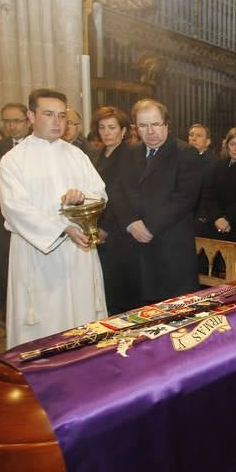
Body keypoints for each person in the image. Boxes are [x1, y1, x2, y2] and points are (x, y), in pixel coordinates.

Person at [0, 88, 108, 348]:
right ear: (31, 116)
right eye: (48, 114)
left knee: (82, 317)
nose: (57, 122)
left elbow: (99, 194)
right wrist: (60, 229)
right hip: (38, 253)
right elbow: (14, 207)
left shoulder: (76, 155)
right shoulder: (13, 160)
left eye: (61, 116)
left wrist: (81, 201)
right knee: (45, 321)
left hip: (77, 249)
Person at [109, 99, 202, 306]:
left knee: (174, 319)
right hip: (134, 248)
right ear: (136, 128)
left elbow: (184, 198)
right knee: (137, 317)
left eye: (155, 124)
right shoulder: (129, 152)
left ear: (167, 124)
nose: (150, 131)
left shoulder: (185, 153)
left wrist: (149, 227)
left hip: (169, 248)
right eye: (143, 126)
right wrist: (130, 222)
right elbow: (116, 191)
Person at [91, 106, 134, 315]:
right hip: (98, 225)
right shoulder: (98, 155)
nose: (106, 132)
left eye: (112, 127)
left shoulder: (129, 155)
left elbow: (121, 195)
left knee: (118, 285)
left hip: (118, 229)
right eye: (102, 127)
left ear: (123, 130)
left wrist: (106, 227)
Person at [0, 102, 32, 169]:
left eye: (17, 121)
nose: (12, 127)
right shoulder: (0, 145)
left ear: (29, 122)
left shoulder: (39, 142)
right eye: (6, 121)